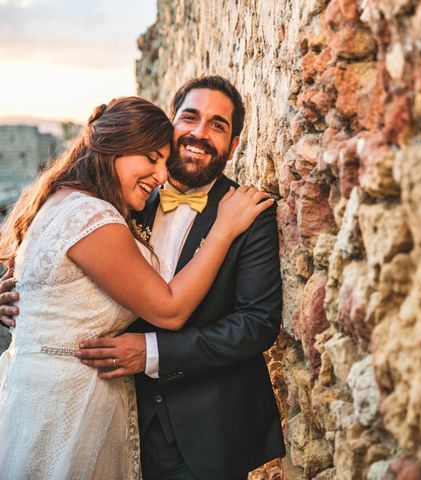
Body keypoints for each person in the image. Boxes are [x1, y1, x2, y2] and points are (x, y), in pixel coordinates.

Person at [0, 76, 286, 479]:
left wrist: (153, 353)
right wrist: (26, 298)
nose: (199, 133)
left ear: (233, 144)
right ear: (172, 124)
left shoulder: (246, 213)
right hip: (115, 416)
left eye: (217, 125)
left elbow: (256, 324)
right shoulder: (123, 201)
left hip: (206, 432)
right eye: (190, 117)